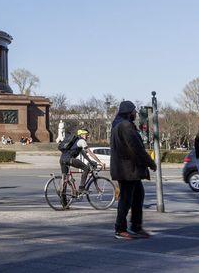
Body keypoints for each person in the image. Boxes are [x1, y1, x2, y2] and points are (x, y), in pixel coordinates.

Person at [110, 101, 156, 240]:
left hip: (127, 169)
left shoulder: (117, 125)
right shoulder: (126, 126)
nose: (136, 114)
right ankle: (120, 229)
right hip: (128, 170)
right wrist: (150, 163)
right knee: (126, 200)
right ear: (129, 112)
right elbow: (136, 148)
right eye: (134, 111)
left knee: (137, 197)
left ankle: (136, 226)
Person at [59, 129, 105, 197]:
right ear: (82, 135)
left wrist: (90, 161)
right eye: (87, 135)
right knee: (86, 168)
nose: (88, 136)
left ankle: (64, 202)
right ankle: (81, 188)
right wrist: (100, 162)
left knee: (65, 179)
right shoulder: (82, 141)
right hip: (69, 159)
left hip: (62, 159)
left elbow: (84, 155)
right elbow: (90, 153)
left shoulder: (76, 142)